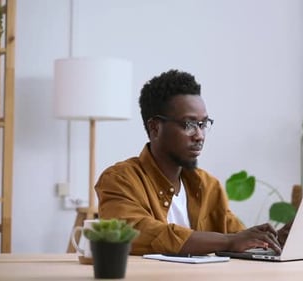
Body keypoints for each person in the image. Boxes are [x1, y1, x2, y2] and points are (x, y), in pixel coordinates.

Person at [95, 69, 290, 255]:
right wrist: (228, 241)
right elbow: (135, 233)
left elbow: (238, 237)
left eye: (203, 124)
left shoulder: (207, 186)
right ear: (155, 128)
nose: (199, 135)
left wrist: (271, 241)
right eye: (188, 124)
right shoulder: (120, 180)